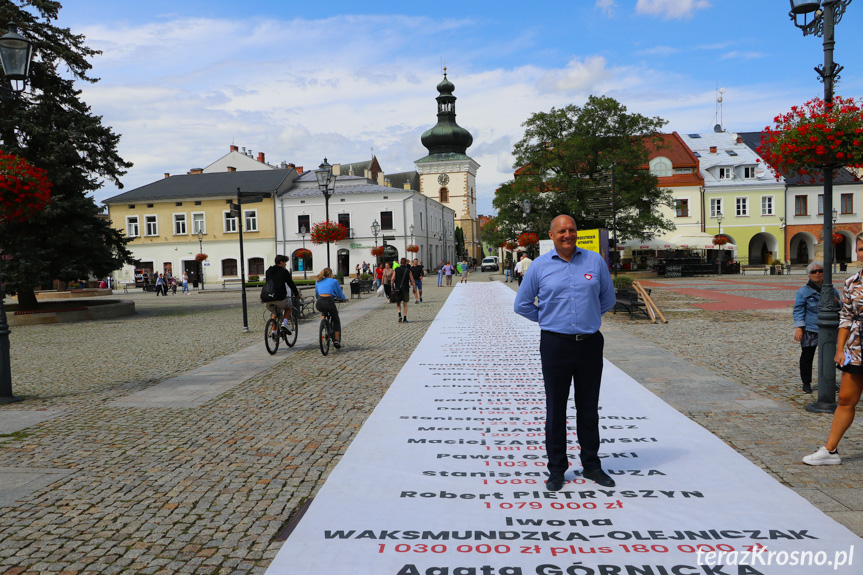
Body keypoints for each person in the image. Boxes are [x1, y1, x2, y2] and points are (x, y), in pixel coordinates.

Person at [513, 215, 616, 491]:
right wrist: (548, 319)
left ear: (576, 233)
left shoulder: (594, 261)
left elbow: (608, 298)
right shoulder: (539, 266)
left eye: (571, 230)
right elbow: (522, 304)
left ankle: (592, 465)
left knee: (588, 407)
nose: (567, 235)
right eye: (562, 231)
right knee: (555, 408)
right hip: (555, 344)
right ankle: (557, 468)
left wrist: (588, 317)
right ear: (552, 234)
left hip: (590, 344)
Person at [803, 233, 863, 466]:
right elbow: (846, 317)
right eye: (860, 249)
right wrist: (840, 349)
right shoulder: (852, 282)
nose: (862, 254)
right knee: (847, 399)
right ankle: (830, 450)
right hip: (857, 348)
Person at [793, 261, 838, 394]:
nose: (817, 273)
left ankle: (829, 381)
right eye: (814, 271)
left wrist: (836, 301)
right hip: (810, 329)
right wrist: (799, 328)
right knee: (807, 356)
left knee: (829, 357)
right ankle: (806, 383)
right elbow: (798, 310)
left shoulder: (831, 288)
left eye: (820, 271)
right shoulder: (803, 292)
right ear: (809, 274)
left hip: (829, 328)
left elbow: (840, 306)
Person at [261, 255, 300, 336]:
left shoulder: (268, 271)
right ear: (281, 262)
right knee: (289, 307)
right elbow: (291, 284)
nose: (285, 264)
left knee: (275, 314)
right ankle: (285, 323)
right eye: (285, 262)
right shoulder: (284, 271)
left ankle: (273, 333)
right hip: (279, 298)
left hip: (267, 299)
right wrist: (297, 294)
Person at [315, 267, 347, 348]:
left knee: (324, 311)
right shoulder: (334, 281)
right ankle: (336, 340)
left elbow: (317, 294)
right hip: (329, 301)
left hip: (319, 302)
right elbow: (339, 293)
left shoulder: (318, 281)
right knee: (336, 319)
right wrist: (344, 299)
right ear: (330, 274)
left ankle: (322, 325)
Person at [391, 257, 415, 322]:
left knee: (398, 302)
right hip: (405, 288)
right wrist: (414, 288)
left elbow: (392, 279)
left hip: (397, 288)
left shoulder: (396, 269)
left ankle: (399, 315)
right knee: (405, 303)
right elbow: (412, 280)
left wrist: (392, 287)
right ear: (406, 263)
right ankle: (405, 318)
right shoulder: (408, 270)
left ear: (400, 262)